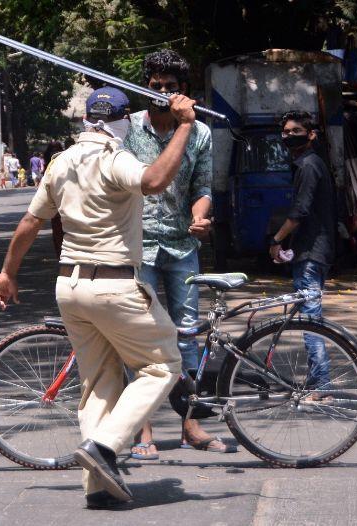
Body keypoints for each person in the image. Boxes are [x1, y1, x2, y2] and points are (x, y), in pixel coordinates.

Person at [0, 87, 198, 509]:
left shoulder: (62, 161)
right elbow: (156, 181)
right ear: (123, 120)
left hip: (70, 288)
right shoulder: (114, 156)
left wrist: (7, 273)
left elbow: (31, 221)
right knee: (163, 365)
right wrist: (185, 126)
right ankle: (105, 448)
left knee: (99, 385)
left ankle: (98, 488)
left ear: (88, 119)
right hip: (114, 285)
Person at [123, 49, 235, 460]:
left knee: (187, 336)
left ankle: (190, 424)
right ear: (145, 87)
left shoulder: (200, 132)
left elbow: (201, 188)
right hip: (137, 246)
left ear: (184, 93)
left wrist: (201, 217)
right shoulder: (127, 129)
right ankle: (142, 429)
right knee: (140, 338)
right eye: (155, 86)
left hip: (181, 247)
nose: (162, 93)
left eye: (171, 88)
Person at [268, 110, 336, 402]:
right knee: (309, 317)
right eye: (285, 132)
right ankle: (315, 381)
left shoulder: (309, 166)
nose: (288, 136)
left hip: (312, 252)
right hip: (310, 251)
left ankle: (321, 385)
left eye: (295, 131)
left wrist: (276, 240)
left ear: (311, 135)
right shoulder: (309, 164)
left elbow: (300, 212)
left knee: (310, 320)